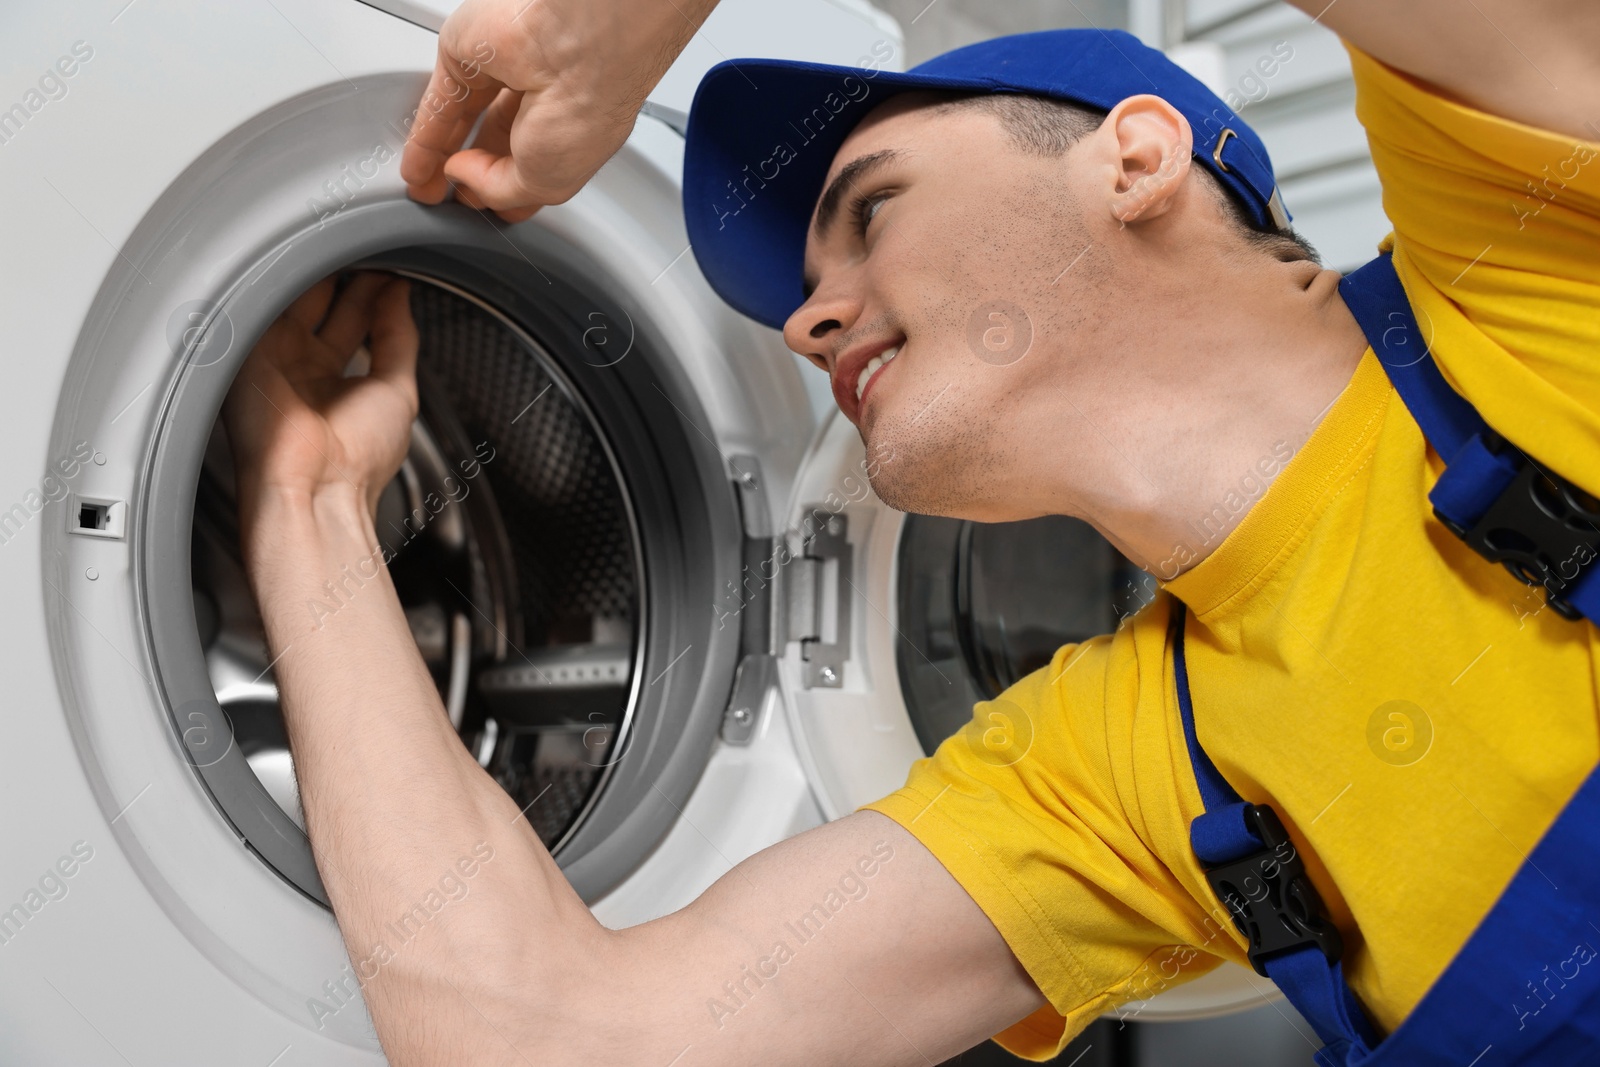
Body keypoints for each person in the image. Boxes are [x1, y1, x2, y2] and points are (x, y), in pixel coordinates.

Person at [220, 0, 1600, 1062]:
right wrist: (308, 501)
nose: (812, 319)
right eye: (807, 295)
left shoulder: (1532, 265)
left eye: (870, 209)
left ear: (1135, 155)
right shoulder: (1130, 778)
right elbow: (542, 1040)